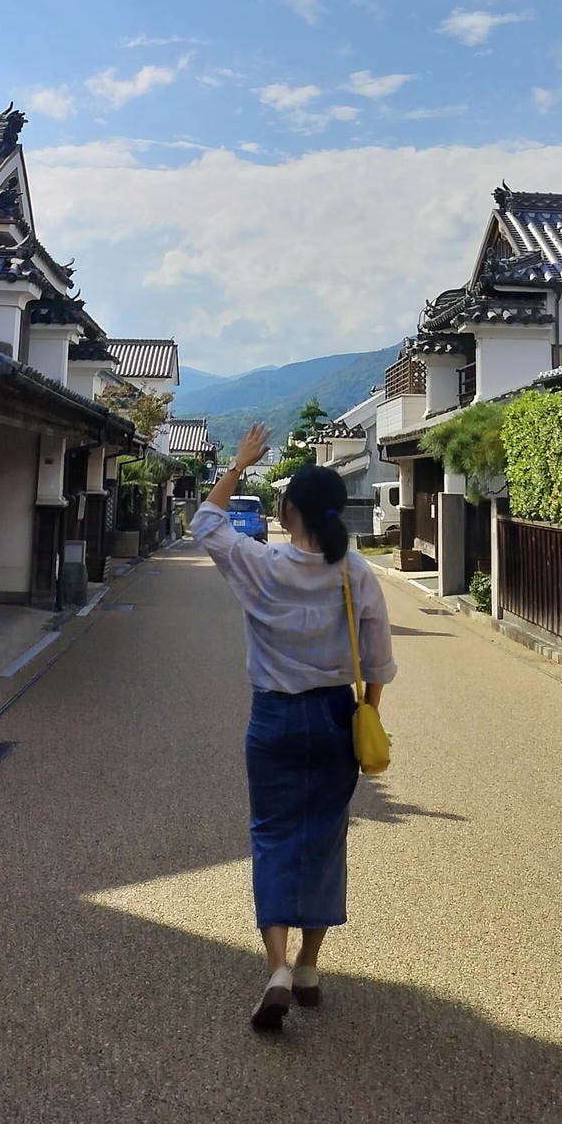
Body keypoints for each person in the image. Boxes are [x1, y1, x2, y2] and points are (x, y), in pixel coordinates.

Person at [190, 422, 397, 1032]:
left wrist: (239, 464)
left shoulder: (262, 564)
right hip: (338, 715)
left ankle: (276, 965)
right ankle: (309, 965)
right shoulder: (355, 572)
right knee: (324, 836)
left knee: (273, 835)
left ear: (286, 512)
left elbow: (206, 524)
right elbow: (379, 658)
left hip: (275, 716)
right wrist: (368, 715)